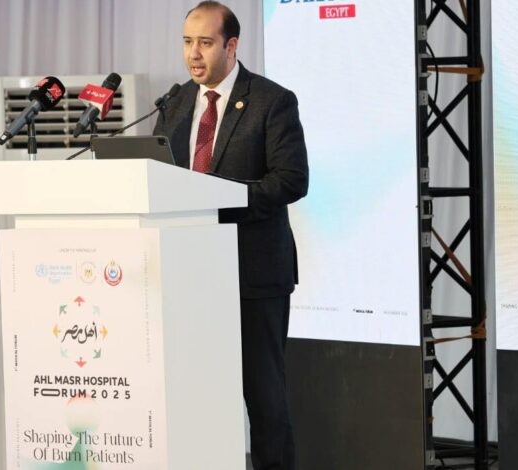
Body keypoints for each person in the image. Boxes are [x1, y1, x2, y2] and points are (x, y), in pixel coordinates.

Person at [153, 2, 309, 469]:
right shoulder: (175, 103)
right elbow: (159, 176)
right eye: (187, 42)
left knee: (264, 399)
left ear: (231, 45)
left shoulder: (271, 101)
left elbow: (291, 180)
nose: (193, 54)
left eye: (205, 43)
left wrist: (220, 197)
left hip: (252, 275)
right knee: (196, 393)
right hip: (187, 274)